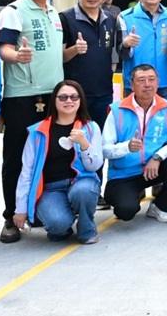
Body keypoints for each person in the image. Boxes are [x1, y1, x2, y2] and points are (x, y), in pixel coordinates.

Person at [0, 0, 65, 244]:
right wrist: (17, 56)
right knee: (16, 158)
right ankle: (11, 216)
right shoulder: (13, 12)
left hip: (53, 94)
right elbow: (4, 48)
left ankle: (36, 211)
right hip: (23, 95)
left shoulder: (54, 12)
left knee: (47, 156)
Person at [12, 80, 104, 244]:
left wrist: (84, 144)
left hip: (81, 182)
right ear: (54, 100)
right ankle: (63, 224)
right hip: (51, 189)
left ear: (81, 100)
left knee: (83, 191)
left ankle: (87, 229)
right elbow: (27, 172)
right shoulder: (37, 132)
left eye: (74, 97)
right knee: (57, 225)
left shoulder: (90, 128)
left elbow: (94, 166)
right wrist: (21, 209)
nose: (69, 101)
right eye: (63, 97)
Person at [102, 66, 167, 223]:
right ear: (132, 84)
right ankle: (132, 195)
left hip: (152, 169)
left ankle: (161, 207)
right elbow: (105, 150)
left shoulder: (166, 107)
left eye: (151, 79)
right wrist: (126, 147)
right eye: (141, 80)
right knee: (125, 211)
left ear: (158, 83)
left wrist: (158, 157)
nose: (147, 84)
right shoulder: (117, 110)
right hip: (124, 175)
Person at [61, 0, 121, 130]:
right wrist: (75, 49)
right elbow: (59, 57)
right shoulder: (65, 18)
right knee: (74, 136)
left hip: (104, 91)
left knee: (100, 135)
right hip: (74, 94)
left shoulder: (110, 19)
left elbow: (112, 53)